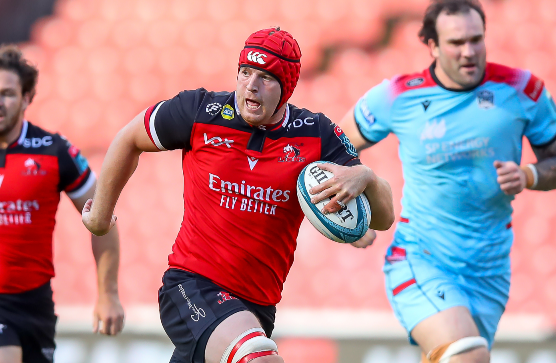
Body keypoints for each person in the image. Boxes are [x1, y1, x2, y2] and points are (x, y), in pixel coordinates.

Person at [82, 27, 394, 363]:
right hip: (192, 286)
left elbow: (384, 217)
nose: (251, 86)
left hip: (258, 308)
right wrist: (100, 217)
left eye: (266, 77)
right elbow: (129, 138)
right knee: (258, 358)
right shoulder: (200, 111)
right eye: (245, 72)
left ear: (287, 87)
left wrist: (366, 176)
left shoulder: (316, 135)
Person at [339, 0, 556, 362]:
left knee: (459, 356)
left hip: (489, 271)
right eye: (456, 42)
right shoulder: (398, 96)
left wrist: (530, 174)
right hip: (421, 259)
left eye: (476, 39)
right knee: (469, 355)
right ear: (432, 46)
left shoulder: (522, 89)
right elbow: (332, 147)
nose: (469, 51)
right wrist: (347, 219)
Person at [0, 45, 124, 363]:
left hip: (35, 304)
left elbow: (103, 217)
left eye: (7, 94)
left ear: (27, 98)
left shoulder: (54, 151)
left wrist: (107, 293)